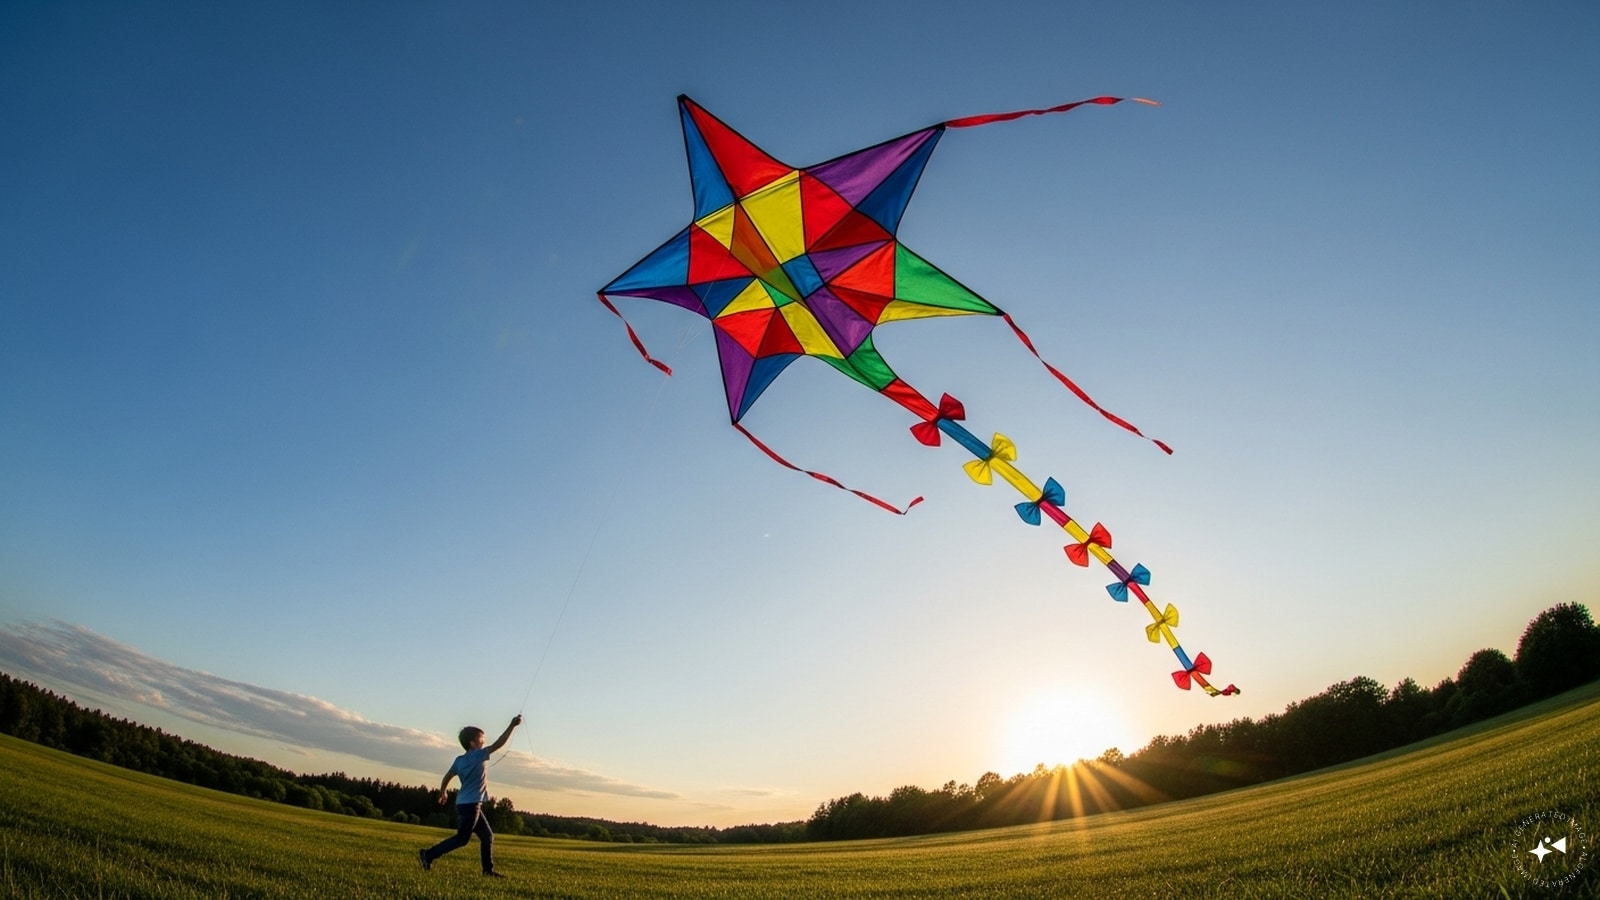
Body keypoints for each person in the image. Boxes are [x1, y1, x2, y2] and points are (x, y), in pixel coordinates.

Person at [419, 714, 522, 877]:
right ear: (472, 743)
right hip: (471, 805)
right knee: (462, 838)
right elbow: (499, 744)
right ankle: (428, 854)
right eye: (481, 739)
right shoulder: (478, 755)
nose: (484, 742)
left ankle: (488, 871)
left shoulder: (459, 760)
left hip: (466, 803)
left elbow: (447, 776)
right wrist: (512, 725)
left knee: (487, 836)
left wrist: (443, 791)